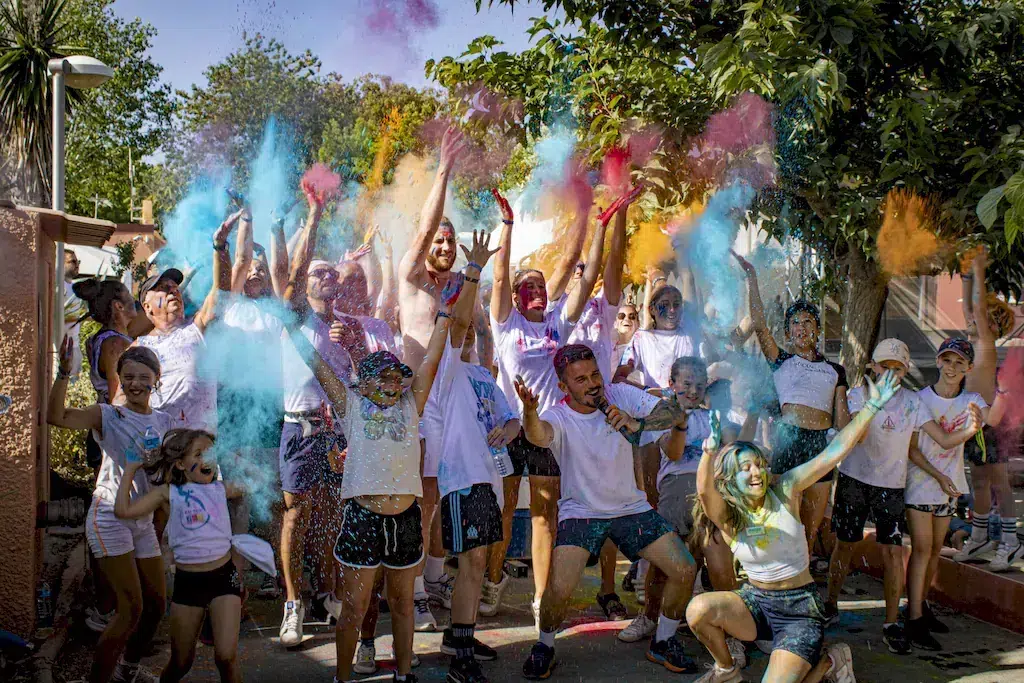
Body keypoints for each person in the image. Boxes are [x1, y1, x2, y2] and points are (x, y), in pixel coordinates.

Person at [283, 251, 456, 683]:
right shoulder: (351, 405)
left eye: (398, 377)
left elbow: (432, 358)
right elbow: (317, 365)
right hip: (363, 518)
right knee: (355, 606)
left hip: (406, 520)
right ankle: (343, 677)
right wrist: (288, 325)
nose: (393, 383)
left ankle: (401, 674)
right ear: (365, 381)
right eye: (384, 377)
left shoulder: (411, 406)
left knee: (400, 604)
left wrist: (449, 309)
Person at [686, 370, 903, 683]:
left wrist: (871, 408)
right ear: (730, 481)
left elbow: (833, 453)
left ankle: (831, 661)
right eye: (745, 468)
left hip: (800, 611)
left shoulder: (785, 490)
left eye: (758, 464)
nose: (755, 472)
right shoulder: (731, 518)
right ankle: (726, 670)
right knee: (698, 610)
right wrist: (709, 453)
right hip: (756, 604)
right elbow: (706, 493)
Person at [487, 186, 634, 623]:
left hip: (545, 431)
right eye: (526, 286)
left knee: (544, 516)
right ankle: (493, 585)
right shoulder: (505, 323)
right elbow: (498, 278)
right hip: (509, 428)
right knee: (504, 511)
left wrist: (601, 226)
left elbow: (586, 280)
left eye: (539, 284)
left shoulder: (557, 322)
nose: (534, 289)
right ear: (515, 297)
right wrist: (508, 226)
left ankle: (539, 597)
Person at [515, 343, 702, 678]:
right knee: (557, 589)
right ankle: (545, 644)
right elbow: (538, 435)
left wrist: (635, 422)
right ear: (564, 387)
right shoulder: (558, 414)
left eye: (595, 375)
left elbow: (672, 412)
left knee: (684, 568)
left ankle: (663, 640)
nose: (592, 384)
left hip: (631, 508)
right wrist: (529, 411)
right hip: (581, 512)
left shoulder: (619, 393)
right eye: (581, 379)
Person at [824, 338, 981, 651]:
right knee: (845, 545)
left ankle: (892, 621)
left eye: (898, 368)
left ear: (906, 369)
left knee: (894, 552)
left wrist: (969, 432)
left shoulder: (913, 402)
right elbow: (856, 438)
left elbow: (936, 441)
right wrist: (874, 403)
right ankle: (829, 603)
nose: (891, 373)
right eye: (885, 366)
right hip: (855, 479)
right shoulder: (859, 394)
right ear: (873, 366)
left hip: (892, 484)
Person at [48, 340, 171, 683]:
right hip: (109, 517)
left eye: (142, 377)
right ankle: (96, 680)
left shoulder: (165, 422)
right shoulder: (108, 415)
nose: (134, 383)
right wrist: (63, 374)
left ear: (156, 380)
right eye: (127, 376)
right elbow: (55, 417)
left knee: (156, 606)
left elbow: (172, 475)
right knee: (130, 609)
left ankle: (127, 671)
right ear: (119, 378)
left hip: (142, 521)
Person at [426, 232, 513, 683]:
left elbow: (510, 418)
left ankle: (461, 634)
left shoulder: (481, 373)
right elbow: (458, 325)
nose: (471, 333)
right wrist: (473, 273)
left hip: (491, 481)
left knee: (477, 563)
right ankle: (458, 650)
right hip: (462, 480)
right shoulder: (446, 369)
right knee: (472, 562)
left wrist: (510, 427)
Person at [274, 184, 356, 646]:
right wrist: (315, 214)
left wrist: (353, 345)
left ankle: (328, 594)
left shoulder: (349, 325)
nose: (325, 276)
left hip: (338, 429)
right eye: (317, 272)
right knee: (295, 515)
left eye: (331, 272)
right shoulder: (294, 316)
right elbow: (294, 271)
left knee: (333, 514)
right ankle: (293, 603)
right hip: (299, 425)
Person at [620, 356, 743, 649]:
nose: (693, 390)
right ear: (672, 384)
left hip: (709, 499)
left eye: (700, 385)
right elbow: (673, 453)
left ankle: (733, 632)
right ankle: (649, 617)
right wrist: (681, 424)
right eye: (687, 383)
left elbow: (730, 452)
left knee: (721, 567)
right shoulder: (664, 417)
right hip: (674, 497)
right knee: (662, 568)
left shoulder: (712, 418)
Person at [733, 251, 850, 551]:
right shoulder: (780, 360)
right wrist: (752, 278)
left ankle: (807, 586)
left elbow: (843, 421)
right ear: (788, 331)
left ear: (817, 330)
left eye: (808, 321)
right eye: (795, 323)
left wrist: (843, 441)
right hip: (788, 440)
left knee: (810, 529)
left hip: (819, 443)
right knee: (785, 524)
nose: (802, 327)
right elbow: (759, 323)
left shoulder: (835, 371)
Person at [113, 429, 245, 683]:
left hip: (223, 580)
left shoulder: (221, 489)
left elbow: (260, 480)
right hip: (188, 584)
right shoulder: (167, 494)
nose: (207, 459)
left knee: (226, 657)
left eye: (211, 454)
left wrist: (231, 455)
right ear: (181, 464)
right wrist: (131, 469)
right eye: (199, 454)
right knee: (181, 663)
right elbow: (123, 511)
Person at [903, 338, 989, 651]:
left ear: (968, 367)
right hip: (923, 483)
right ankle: (912, 620)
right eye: (947, 360)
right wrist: (968, 432)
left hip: (950, 486)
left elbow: (990, 413)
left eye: (959, 362)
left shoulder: (973, 400)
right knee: (922, 549)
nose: (952, 368)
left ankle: (921, 607)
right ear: (938, 362)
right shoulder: (920, 399)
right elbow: (916, 449)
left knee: (936, 549)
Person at [71, 277, 141, 633]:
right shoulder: (114, 343)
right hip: (114, 440)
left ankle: (114, 604)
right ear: (117, 305)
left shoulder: (113, 337)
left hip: (109, 437)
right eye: (130, 298)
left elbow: (147, 319)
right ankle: (106, 609)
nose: (135, 303)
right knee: (113, 519)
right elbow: (120, 398)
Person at [131, 210, 239, 431]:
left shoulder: (196, 328)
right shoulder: (140, 348)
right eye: (162, 289)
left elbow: (221, 292)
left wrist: (220, 247)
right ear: (147, 307)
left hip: (201, 453)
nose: (173, 292)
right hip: (160, 449)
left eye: (174, 288)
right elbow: (122, 404)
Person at [956, 248, 1021, 570]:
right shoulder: (975, 344)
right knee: (979, 483)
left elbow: (978, 310)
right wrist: (966, 274)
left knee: (999, 483)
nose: (971, 319)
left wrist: (978, 269)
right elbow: (971, 307)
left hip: (991, 428)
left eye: (981, 320)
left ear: (993, 326)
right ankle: (980, 536)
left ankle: (1010, 542)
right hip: (976, 427)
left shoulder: (985, 343)